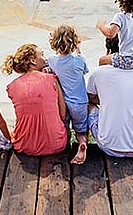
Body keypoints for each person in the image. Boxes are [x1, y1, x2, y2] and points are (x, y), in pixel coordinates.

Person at [1, 43, 68, 156]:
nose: (45, 58)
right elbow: (62, 113)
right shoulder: (51, 79)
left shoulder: (12, 86)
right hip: (56, 144)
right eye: (42, 54)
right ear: (32, 60)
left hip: (25, 145)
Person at [86, 64, 133, 158]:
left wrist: (109, 99)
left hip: (109, 147)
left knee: (88, 106)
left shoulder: (99, 72)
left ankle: (83, 139)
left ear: (109, 52)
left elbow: (90, 98)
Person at [48, 25, 89, 164]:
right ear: (75, 42)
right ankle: (82, 143)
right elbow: (84, 71)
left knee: (64, 127)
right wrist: (79, 52)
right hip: (80, 102)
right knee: (81, 129)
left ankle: (65, 148)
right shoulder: (79, 60)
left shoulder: (52, 61)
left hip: (63, 103)